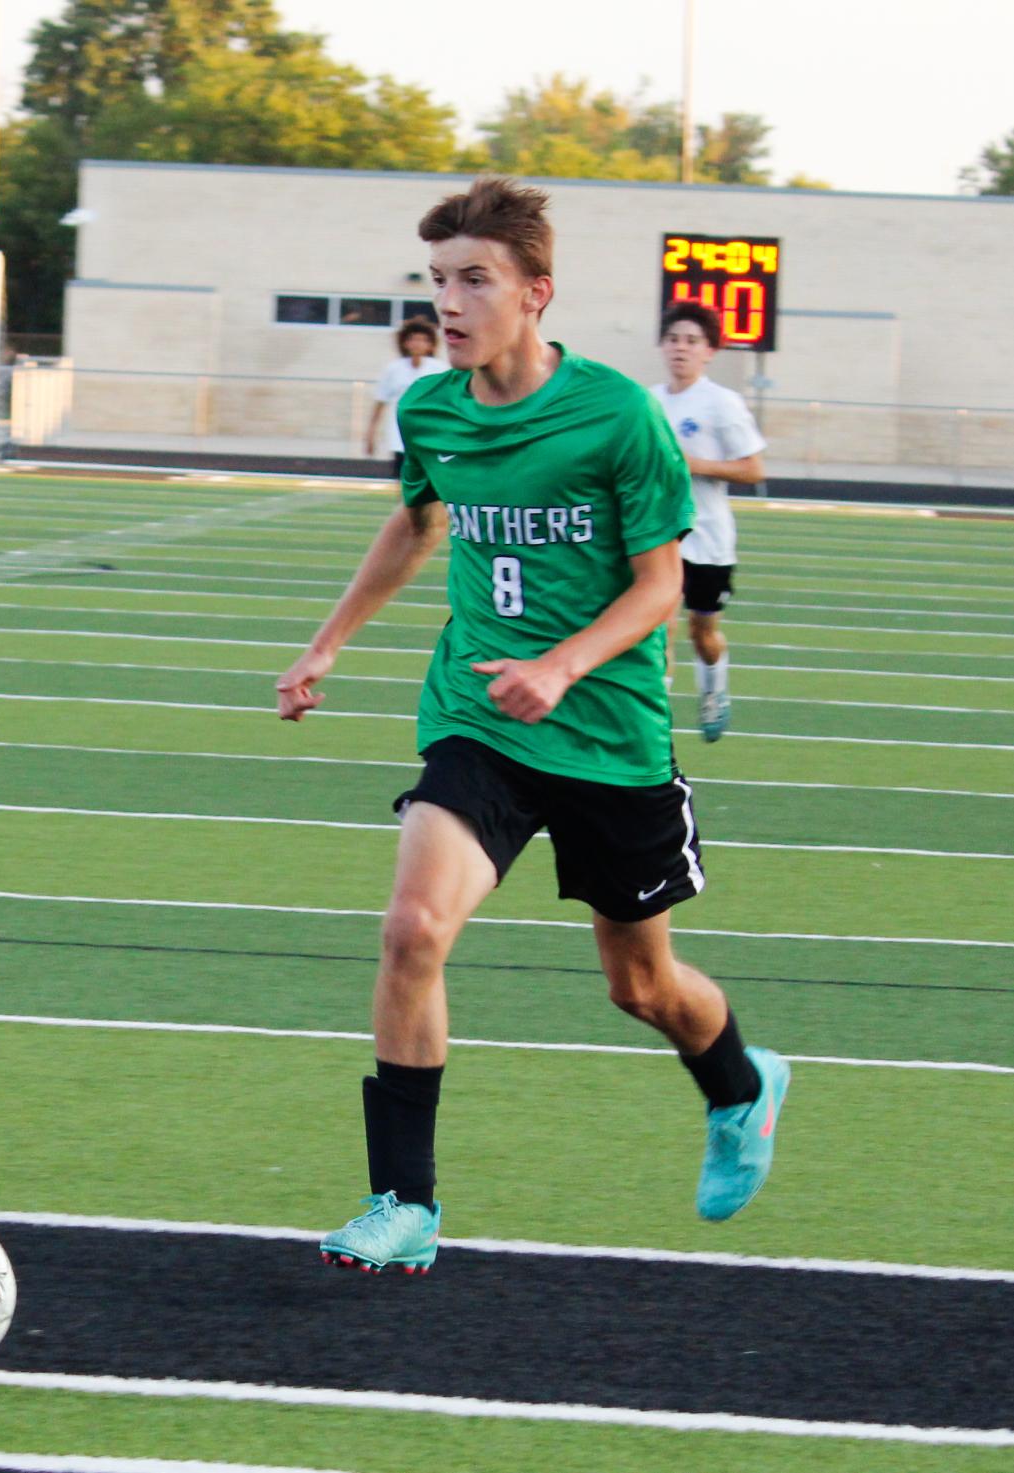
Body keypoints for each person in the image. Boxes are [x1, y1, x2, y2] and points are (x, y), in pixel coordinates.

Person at [275, 177, 787, 1275]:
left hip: (604, 733)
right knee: (413, 928)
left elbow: (662, 585)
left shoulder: (617, 415)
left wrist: (561, 665)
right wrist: (328, 642)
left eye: (475, 281)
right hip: (480, 717)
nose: (449, 304)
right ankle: (405, 1203)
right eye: (437, 281)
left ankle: (743, 1085)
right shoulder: (431, 406)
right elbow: (413, 528)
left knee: (640, 987)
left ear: (534, 292)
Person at [651, 301, 767, 742]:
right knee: (658, 627)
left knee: (704, 634)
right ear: (662, 346)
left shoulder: (722, 403)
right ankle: (653, 722)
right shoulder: (648, 402)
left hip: (709, 539)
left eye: (692, 341)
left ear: (709, 351)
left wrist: (691, 463)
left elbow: (753, 469)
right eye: (674, 339)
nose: (681, 348)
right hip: (660, 536)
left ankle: (713, 690)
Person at [365, 317, 446, 478]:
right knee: (404, 482)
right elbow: (380, 402)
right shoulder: (394, 369)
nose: (417, 344)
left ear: (431, 345)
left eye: (423, 340)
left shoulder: (439, 369)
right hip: (400, 436)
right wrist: (370, 434)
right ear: (404, 343)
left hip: (429, 437)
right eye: (413, 339)